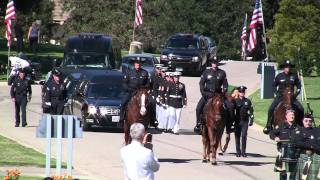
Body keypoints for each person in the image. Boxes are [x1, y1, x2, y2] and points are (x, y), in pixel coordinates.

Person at [264, 60, 304, 134]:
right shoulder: (279, 76)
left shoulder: (294, 76)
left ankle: (301, 125)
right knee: (271, 108)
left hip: (291, 97)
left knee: (301, 108)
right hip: (280, 96)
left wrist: (297, 93)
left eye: (289, 67)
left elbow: (298, 85)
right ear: (284, 68)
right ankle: (268, 125)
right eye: (286, 67)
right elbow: (273, 85)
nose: (288, 68)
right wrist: (276, 93)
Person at [194, 60, 234, 134]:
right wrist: (203, 92)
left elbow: (225, 84)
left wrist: (224, 92)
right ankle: (198, 124)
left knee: (230, 106)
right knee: (198, 108)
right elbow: (201, 83)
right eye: (213, 63)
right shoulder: (206, 72)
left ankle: (230, 125)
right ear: (211, 64)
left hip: (218, 95)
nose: (214, 64)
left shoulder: (222, 72)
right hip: (207, 94)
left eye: (216, 63)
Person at [269, 109, 297, 180]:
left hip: (294, 153)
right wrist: (275, 137)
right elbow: (271, 133)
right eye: (290, 115)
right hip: (283, 151)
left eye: (293, 115)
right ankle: (267, 123)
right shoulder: (281, 125)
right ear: (286, 116)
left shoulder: (297, 127)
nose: (292, 116)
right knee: (283, 172)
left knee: (293, 172)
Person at [292, 113, 320, 180]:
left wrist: (309, 143)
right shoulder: (298, 130)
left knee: (314, 178)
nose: (308, 123)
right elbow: (297, 143)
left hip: (316, 157)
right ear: (302, 121)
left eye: (310, 121)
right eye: (306, 121)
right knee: (303, 178)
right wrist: (311, 145)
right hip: (304, 157)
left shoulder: (317, 130)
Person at [234, 86, 254, 157]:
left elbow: (251, 111)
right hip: (237, 121)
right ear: (238, 93)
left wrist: (251, 120)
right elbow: (232, 111)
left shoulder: (247, 101)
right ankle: (238, 152)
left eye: (243, 92)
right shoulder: (235, 101)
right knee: (237, 136)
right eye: (240, 92)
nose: (242, 93)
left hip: (245, 121)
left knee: (244, 136)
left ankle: (243, 152)